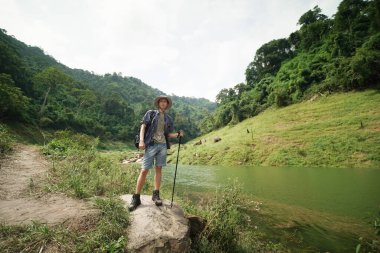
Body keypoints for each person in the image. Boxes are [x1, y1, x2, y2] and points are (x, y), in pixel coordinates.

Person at [129, 95, 184, 211]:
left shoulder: (168, 118)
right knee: (144, 170)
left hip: (163, 146)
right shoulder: (151, 113)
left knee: (159, 169)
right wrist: (142, 140)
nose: (163, 103)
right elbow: (143, 126)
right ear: (158, 103)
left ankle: (156, 194)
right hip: (151, 144)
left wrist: (178, 134)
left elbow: (167, 134)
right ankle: (136, 197)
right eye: (161, 101)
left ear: (167, 105)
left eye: (165, 102)